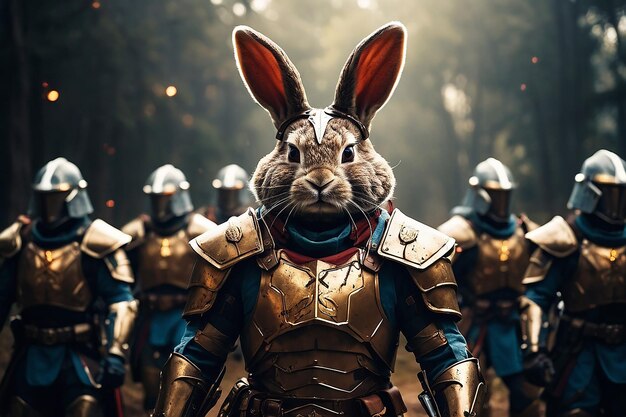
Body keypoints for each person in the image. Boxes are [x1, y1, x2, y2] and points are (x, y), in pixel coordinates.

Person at [152, 22, 485, 417]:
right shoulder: (241, 249)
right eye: (296, 157)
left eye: (345, 157)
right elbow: (199, 354)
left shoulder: (401, 249)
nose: (321, 180)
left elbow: (445, 355)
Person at [0, 157, 137, 417]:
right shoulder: (20, 241)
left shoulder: (95, 241)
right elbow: (2, 296)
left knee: (84, 409)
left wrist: (116, 353)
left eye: (55, 197)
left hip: (78, 357)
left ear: (72, 198)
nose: (48, 204)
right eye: (43, 197)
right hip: (30, 354)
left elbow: (122, 302)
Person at [521, 149, 626, 417]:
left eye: (620, 194)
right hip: (579, 353)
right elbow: (536, 298)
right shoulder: (566, 238)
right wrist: (535, 350)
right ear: (591, 194)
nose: (616, 204)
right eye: (610, 194)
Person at [438, 158, 541, 417]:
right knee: (471, 396)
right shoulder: (461, 231)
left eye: (504, 196)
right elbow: (439, 281)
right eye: (495, 196)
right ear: (481, 195)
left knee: (527, 394)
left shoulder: (523, 230)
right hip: (474, 323)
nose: (500, 202)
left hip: (513, 324)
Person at [122, 164, 215, 412]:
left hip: (185, 316)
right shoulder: (140, 230)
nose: (160, 205)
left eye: (165, 199)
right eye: (156, 199)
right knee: (150, 377)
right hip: (150, 315)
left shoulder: (199, 229)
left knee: (183, 374)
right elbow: (120, 271)